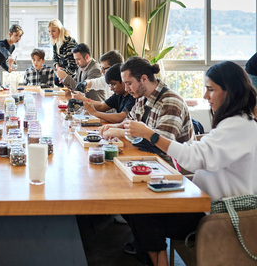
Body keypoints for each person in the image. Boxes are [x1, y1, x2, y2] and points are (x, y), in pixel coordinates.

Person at [123, 61, 257, 266]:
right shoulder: (237, 121)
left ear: (230, 91)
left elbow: (194, 158)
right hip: (198, 198)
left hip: (215, 211)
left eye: (210, 90)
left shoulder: (239, 126)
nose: (205, 96)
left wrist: (151, 135)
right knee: (138, 206)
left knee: (142, 209)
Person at [100, 56, 194, 145]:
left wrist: (121, 132)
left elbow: (163, 143)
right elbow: (130, 122)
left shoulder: (171, 102)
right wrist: (113, 127)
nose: (126, 89)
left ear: (144, 79)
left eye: (129, 83)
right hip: (151, 157)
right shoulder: (141, 97)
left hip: (169, 161)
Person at [70, 63, 135, 123]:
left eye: (114, 84)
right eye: (110, 85)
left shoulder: (133, 96)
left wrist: (95, 113)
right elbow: (102, 106)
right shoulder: (118, 94)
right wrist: (81, 103)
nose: (111, 88)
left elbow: (122, 117)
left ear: (123, 81)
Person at [48, 19, 78, 86]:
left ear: (59, 30)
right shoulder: (55, 42)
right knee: (55, 79)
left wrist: (64, 75)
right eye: (49, 31)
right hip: (62, 71)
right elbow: (55, 58)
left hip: (72, 74)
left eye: (53, 31)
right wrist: (58, 68)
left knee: (57, 80)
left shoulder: (69, 43)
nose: (51, 34)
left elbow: (73, 65)